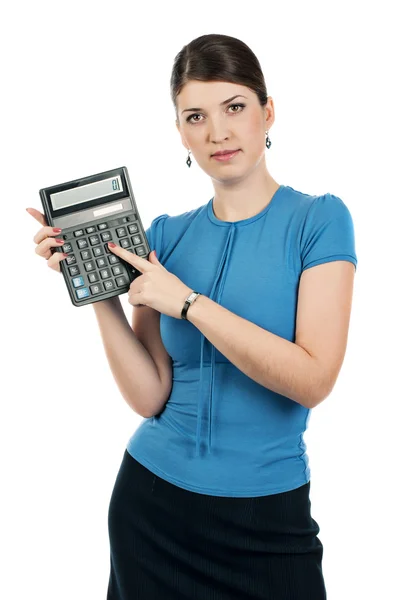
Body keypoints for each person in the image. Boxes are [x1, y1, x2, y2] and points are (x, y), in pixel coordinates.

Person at [27, 33, 357, 599]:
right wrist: (96, 289)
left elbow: (313, 379)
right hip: (153, 509)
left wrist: (187, 302)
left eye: (234, 108)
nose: (218, 133)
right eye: (195, 116)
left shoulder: (320, 220)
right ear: (180, 131)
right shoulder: (167, 237)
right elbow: (150, 395)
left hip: (269, 520)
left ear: (267, 111)